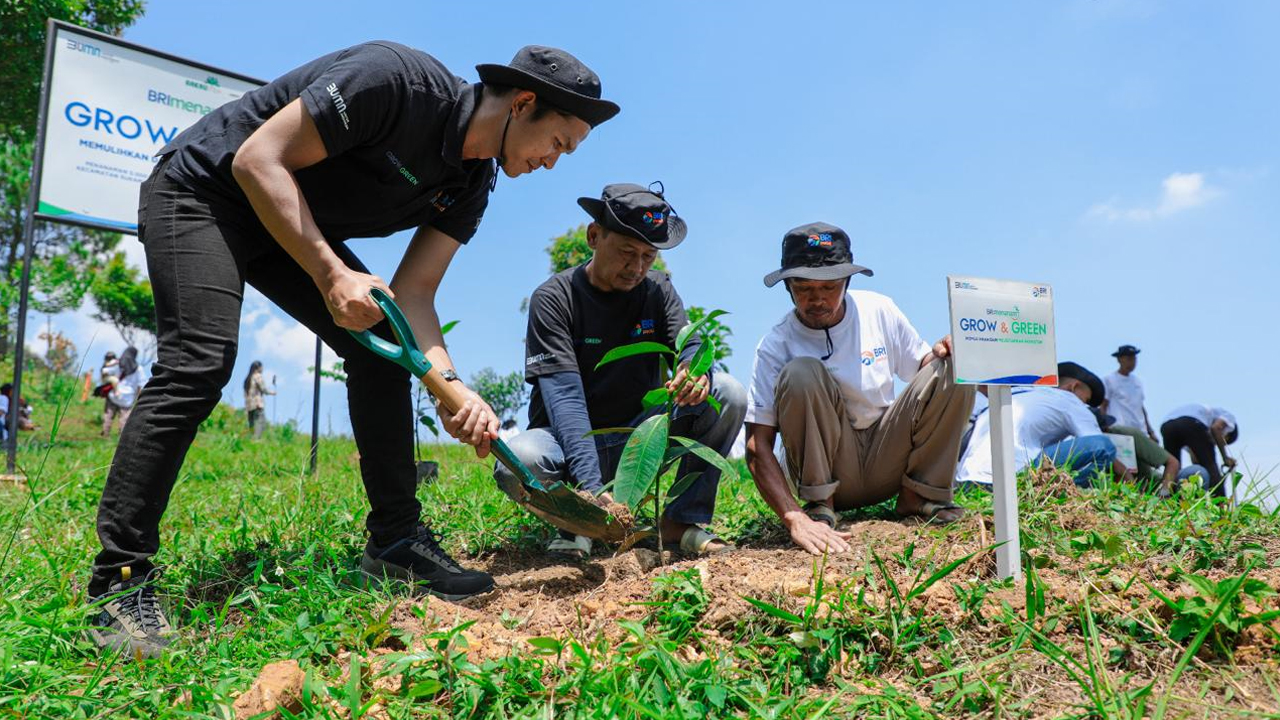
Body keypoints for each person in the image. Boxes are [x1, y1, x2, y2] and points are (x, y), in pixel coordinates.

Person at [87, 42, 620, 659]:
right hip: (205, 191)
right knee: (199, 362)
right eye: (559, 143)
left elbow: (414, 295)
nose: (554, 163)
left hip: (286, 223)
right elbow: (258, 160)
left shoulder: (470, 183)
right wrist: (329, 273)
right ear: (523, 103)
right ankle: (118, 582)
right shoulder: (395, 82)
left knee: (381, 348)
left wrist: (452, 390)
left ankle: (396, 547)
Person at [496, 183, 746, 558]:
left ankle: (681, 523)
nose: (637, 267)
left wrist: (693, 370)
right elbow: (565, 399)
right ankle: (575, 523)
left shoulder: (658, 290)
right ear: (594, 236)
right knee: (520, 459)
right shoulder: (553, 299)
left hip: (640, 438)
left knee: (727, 393)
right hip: (567, 443)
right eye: (627, 253)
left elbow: (688, 340)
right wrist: (592, 490)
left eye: (649, 256)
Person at [744, 222, 975, 557]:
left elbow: (927, 372)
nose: (817, 299)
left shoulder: (879, 310)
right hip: (829, 468)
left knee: (955, 365)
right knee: (801, 372)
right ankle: (820, 506)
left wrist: (948, 351)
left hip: (887, 456)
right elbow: (756, 445)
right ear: (788, 287)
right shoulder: (776, 344)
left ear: (847, 282)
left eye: (829, 287)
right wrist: (794, 518)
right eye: (804, 288)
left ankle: (921, 496)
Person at [957, 362, 1126, 489]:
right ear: (1073, 387)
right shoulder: (1069, 399)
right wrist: (1129, 482)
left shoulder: (1019, 393)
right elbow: (1097, 444)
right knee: (1105, 446)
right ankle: (1066, 493)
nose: (1085, 405)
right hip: (1010, 480)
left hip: (967, 481)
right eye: (1086, 399)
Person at [1160, 404, 1238, 497]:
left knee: (1173, 467)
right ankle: (1220, 505)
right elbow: (1216, 428)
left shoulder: (1203, 415)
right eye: (1223, 440)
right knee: (1211, 467)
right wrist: (1225, 458)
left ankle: (1165, 498)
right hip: (1192, 423)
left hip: (1167, 426)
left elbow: (1196, 460)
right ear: (1227, 433)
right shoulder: (1229, 417)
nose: (1216, 442)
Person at [1102, 345, 1157, 441]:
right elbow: (1103, 406)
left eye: (1134, 359)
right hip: (1121, 431)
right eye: (1128, 359)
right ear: (1119, 360)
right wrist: (1104, 427)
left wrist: (1150, 431)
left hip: (1140, 431)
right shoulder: (1109, 380)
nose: (1132, 362)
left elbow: (1141, 407)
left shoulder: (1137, 382)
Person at [102, 348, 144, 437]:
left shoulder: (117, 364)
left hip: (113, 395)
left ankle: (105, 435)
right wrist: (139, 400)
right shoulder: (139, 369)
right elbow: (140, 386)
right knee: (124, 420)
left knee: (108, 416)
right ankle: (121, 438)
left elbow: (105, 372)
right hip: (127, 400)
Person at [243, 361, 275, 438]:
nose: (262, 369)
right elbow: (263, 389)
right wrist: (272, 392)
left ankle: (250, 442)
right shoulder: (258, 376)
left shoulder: (248, 379)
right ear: (258, 368)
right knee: (260, 424)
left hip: (249, 406)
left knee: (252, 425)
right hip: (257, 404)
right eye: (262, 367)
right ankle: (256, 441)